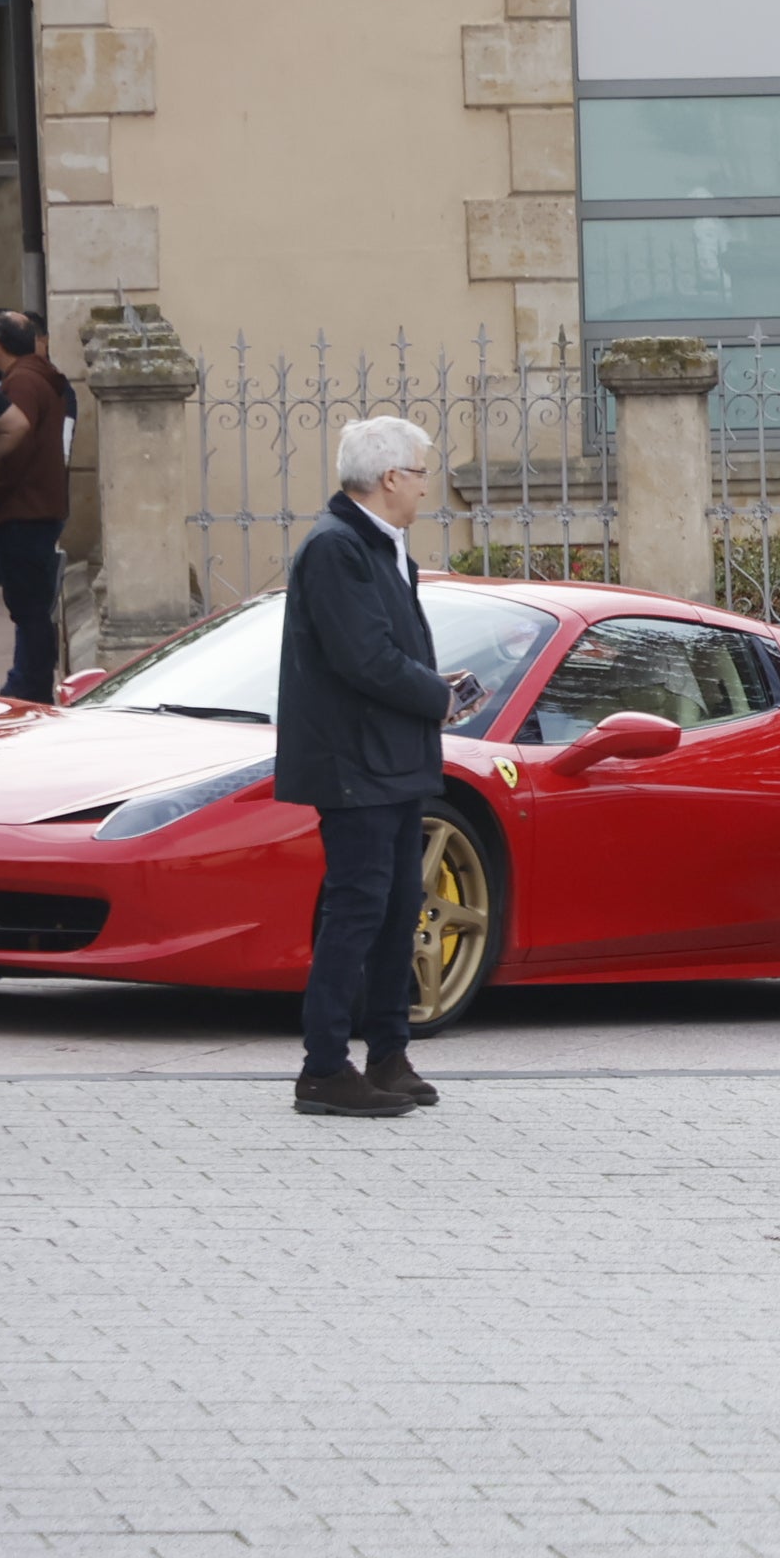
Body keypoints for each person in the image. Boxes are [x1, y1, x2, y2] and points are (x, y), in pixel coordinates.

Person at [279, 417, 475, 1119]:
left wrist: (431, 685)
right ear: (391, 478)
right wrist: (437, 695)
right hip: (353, 760)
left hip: (394, 756)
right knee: (357, 908)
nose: (427, 484)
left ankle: (388, 1054)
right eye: (421, 472)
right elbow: (361, 659)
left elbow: (387, 648)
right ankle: (324, 1066)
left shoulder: (384, 547)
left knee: (399, 909)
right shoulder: (337, 549)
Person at [0, 310, 71, 702]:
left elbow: (17, 443)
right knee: (34, 604)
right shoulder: (40, 374)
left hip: (24, 508)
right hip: (40, 506)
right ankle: (32, 678)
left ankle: (28, 682)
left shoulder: (22, 381)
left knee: (28, 605)